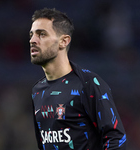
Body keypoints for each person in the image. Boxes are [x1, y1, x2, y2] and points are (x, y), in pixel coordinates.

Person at [30, 8, 126, 150]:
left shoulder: (88, 84)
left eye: (42, 34)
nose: (32, 40)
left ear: (64, 41)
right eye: (31, 35)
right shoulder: (37, 91)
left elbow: (116, 140)